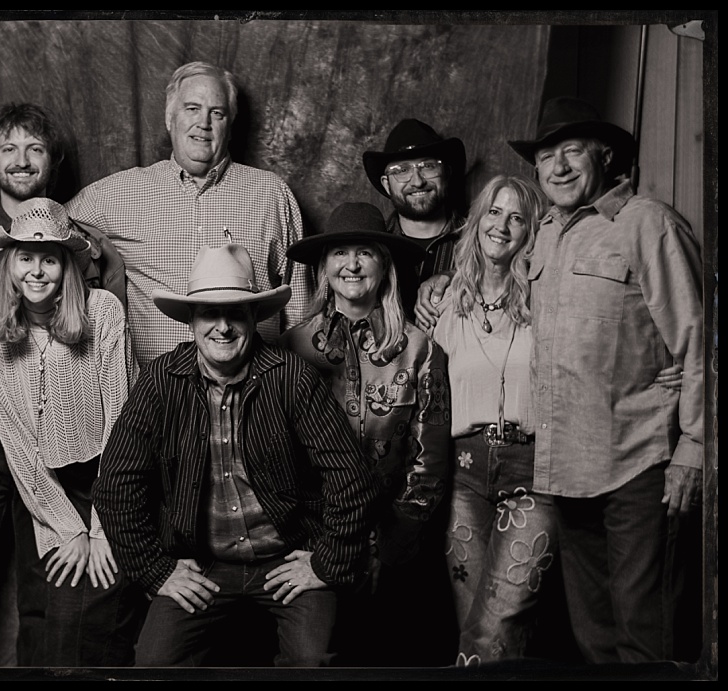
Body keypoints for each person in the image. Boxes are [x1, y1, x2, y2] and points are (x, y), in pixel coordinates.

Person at [416, 97, 703, 664]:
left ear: (605, 156)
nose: (560, 167)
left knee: (645, 634)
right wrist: (441, 281)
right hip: (565, 470)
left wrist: (694, 443)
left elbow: (696, 335)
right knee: (591, 636)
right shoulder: (544, 234)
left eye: (573, 152)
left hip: (637, 461)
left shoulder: (647, 223)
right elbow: (492, 268)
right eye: (547, 156)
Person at [92, 241, 378, 667]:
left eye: (236, 313)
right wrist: (156, 570)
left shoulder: (292, 377)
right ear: (190, 320)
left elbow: (351, 475)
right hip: (205, 563)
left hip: (288, 557)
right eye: (210, 313)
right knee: (153, 665)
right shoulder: (159, 383)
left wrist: (326, 562)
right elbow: (115, 486)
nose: (222, 327)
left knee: (314, 662)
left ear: (253, 318)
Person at [0, 61, 310, 368]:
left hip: (257, 390)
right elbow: (42, 221)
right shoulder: (118, 194)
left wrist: (289, 392)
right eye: (192, 109)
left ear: (230, 123)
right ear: (169, 117)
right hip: (158, 400)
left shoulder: (270, 193)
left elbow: (301, 311)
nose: (204, 124)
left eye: (218, 113)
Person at [0, 102, 127, 666]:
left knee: (59, 601)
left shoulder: (92, 261)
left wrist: (99, 521)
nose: (21, 159)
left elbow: (116, 397)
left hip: (79, 461)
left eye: (35, 148)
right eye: (9, 148)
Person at [279, 201, 451, 667]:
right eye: (339, 253)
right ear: (323, 267)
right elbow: (278, 454)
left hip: (396, 541)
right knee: (322, 655)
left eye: (365, 253)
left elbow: (430, 455)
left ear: (384, 265)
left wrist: (397, 538)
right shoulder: (289, 348)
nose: (351, 264)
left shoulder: (419, 349)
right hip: (314, 539)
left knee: (391, 656)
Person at [0, 197, 140, 666]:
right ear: (9, 266)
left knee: (93, 623)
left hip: (107, 483)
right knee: (46, 621)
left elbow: (121, 424)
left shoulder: (103, 311)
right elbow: (16, 441)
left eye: (49, 258)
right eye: (25, 258)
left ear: (67, 265)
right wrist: (70, 529)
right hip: (42, 493)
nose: (36, 270)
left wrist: (104, 526)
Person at [428, 174, 557, 666]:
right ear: (477, 220)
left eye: (517, 217)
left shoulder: (546, 301)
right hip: (464, 475)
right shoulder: (443, 305)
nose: (502, 225)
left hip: (531, 471)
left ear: (531, 232)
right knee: (473, 624)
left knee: (495, 625)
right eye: (494, 212)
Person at [362, 118, 468, 312]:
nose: (417, 182)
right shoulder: (373, 248)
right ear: (387, 184)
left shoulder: (480, 240)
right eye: (402, 171)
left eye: (428, 166)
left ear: (447, 173)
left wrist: (459, 275)